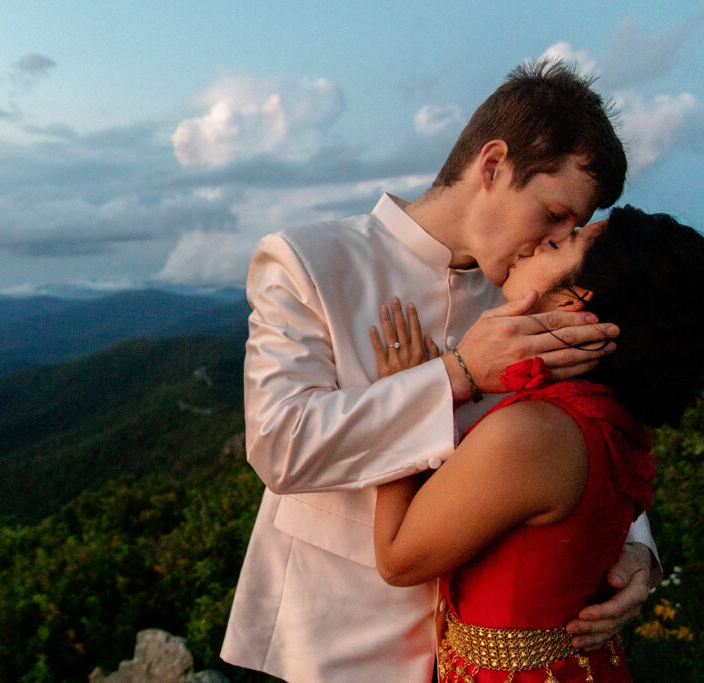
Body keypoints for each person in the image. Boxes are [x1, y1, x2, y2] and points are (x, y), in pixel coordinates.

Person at [221, 60, 656, 682]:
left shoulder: (533, 292)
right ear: (493, 165)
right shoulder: (308, 260)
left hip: (482, 655)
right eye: (555, 213)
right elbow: (279, 445)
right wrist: (456, 374)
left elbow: (591, 425)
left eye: (574, 227)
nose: (554, 241)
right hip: (324, 642)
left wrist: (636, 546)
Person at [373, 206, 704, 681]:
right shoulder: (603, 413)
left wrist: (407, 400)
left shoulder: (536, 431)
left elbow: (398, 560)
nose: (545, 239)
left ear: (574, 301)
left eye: (566, 243)